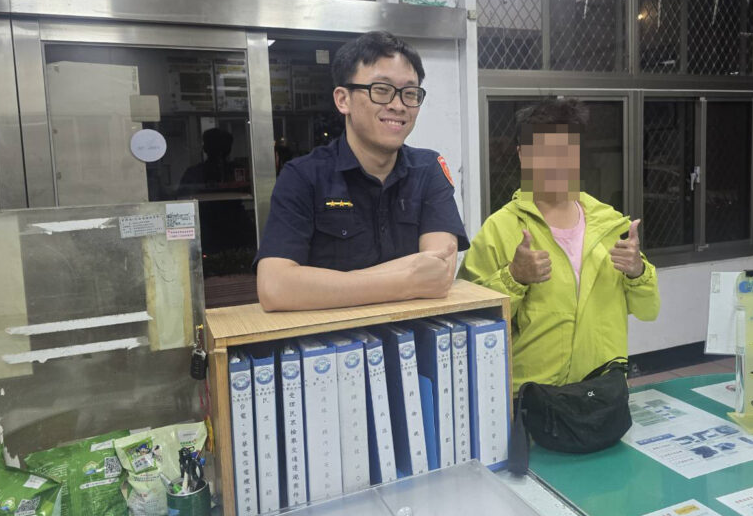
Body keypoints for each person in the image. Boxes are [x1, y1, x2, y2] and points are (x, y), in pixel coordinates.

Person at [256, 31, 469, 311]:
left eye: (410, 93)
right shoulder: (303, 176)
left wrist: (322, 286)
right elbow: (275, 287)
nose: (398, 105)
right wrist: (407, 280)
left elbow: (439, 274)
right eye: (381, 90)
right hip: (333, 338)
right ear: (343, 100)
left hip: (416, 334)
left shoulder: (428, 169)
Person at [458, 98, 660, 394]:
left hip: (602, 388)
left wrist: (637, 272)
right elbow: (470, 322)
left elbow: (648, 310)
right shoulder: (499, 229)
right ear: (522, 155)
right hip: (532, 395)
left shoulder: (609, 224)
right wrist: (513, 278)